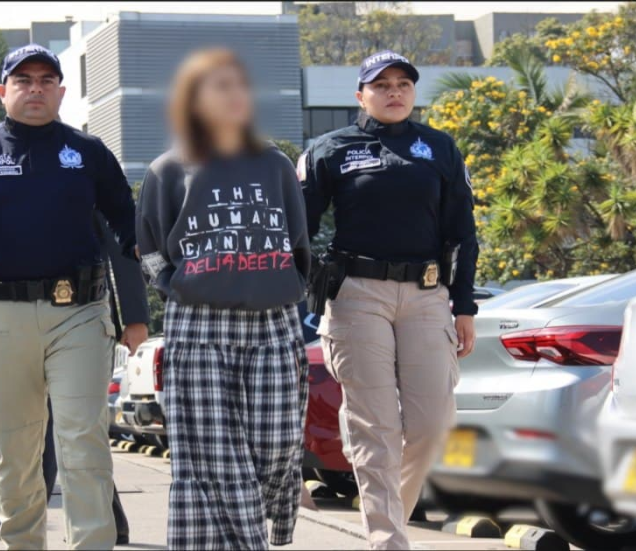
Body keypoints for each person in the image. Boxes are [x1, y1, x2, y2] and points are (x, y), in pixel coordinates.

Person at [0, 43, 140, 550]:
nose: (35, 88)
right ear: (3, 91)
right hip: (1, 317)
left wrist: (147, 283)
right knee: (15, 451)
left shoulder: (88, 152)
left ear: (61, 91)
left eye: (46, 80)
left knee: (83, 441)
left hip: (81, 316)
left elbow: (127, 223)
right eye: (24, 80)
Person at [298, 50, 479, 550]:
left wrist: (463, 307)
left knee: (432, 423)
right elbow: (300, 231)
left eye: (403, 83)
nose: (394, 92)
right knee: (377, 427)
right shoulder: (330, 149)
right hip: (358, 297)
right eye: (382, 85)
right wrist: (304, 288)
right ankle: (388, 540)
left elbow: (463, 233)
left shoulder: (439, 147)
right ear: (361, 96)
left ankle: (389, 516)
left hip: (426, 296)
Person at [136, 47, 311, 550]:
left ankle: (275, 520)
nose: (235, 96)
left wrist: (286, 290)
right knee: (213, 456)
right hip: (198, 323)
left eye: (240, 86)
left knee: (278, 446)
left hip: (274, 319)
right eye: (220, 87)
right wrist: (178, 290)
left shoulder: (276, 165)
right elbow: (148, 247)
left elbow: (299, 243)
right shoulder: (167, 169)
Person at [0, 212, 148, 545]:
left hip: (84, 319)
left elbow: (122, 239)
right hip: (17, 321)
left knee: (73, 432)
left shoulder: (86, 166)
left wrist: (135, 317)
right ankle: (111, 521)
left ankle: (34, 517)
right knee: (73, 436)